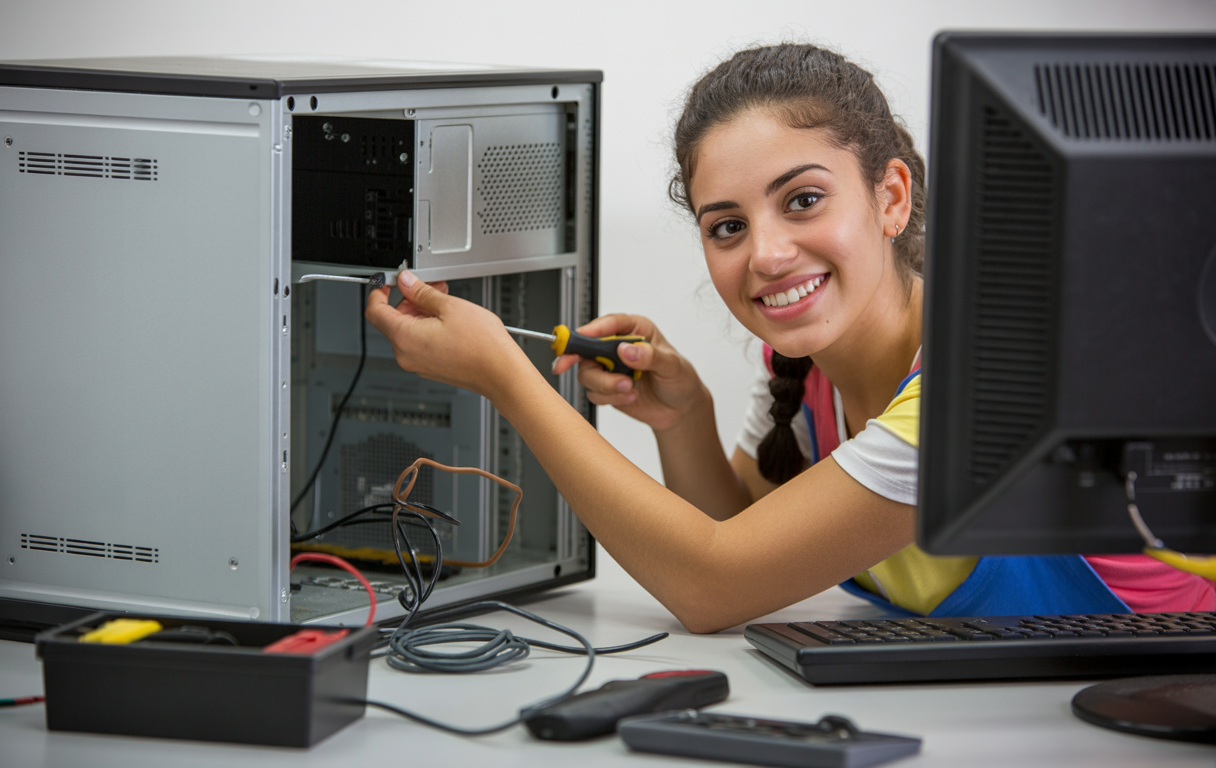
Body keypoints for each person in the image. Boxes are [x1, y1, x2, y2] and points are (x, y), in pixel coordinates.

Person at [366, 44, 1215, 632]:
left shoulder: (980, 389)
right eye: (726, 225)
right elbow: (751, 532)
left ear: (891, 198)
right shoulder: (807, 372)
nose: (766, 254)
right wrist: (683, 419)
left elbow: (715, 582)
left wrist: (508, 380)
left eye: (803, 200)